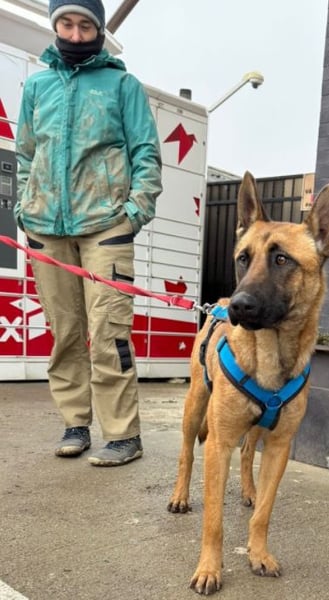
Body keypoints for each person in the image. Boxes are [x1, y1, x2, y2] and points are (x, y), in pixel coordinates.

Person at [15, 0, 162, 466]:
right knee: (64, 333)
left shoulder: (122, 85)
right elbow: (26, 154)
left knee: (109, 333)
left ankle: (123, 435)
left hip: (106, 229)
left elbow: (146, 154)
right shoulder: (36, 85)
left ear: (98, 30)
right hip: (46, 228)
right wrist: (24, 206)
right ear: (55, 25)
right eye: (66, 23)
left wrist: (133, 213)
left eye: (85, 25)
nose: (76, 35)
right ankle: (75, 424)